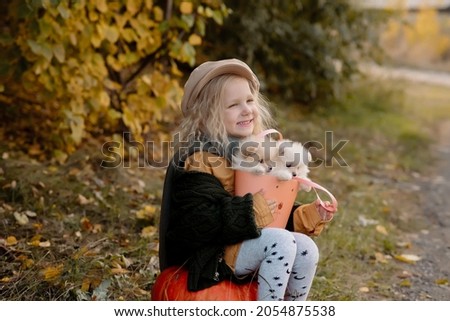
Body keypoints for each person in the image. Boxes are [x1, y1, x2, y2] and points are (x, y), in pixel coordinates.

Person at [159, 58, 335, 301]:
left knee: (306, 248)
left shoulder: (259, 154)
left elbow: (272, 213)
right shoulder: (200, 159)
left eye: (250, 100)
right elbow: (198, 221)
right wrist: (252, 210)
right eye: (233, 105)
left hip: (245, 247)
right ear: (206, 116)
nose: (246, 110)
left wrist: (307, 215)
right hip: (211, 259)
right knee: (281, 243)